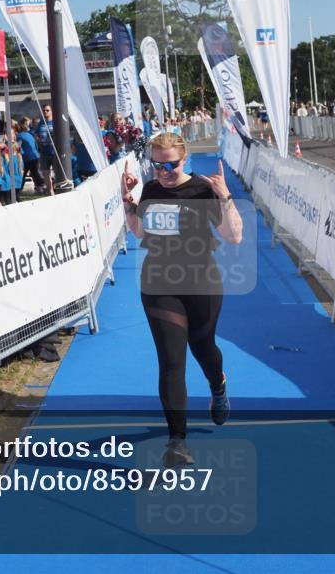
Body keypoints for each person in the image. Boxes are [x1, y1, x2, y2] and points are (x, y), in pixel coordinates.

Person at [120, 132, 243, 468]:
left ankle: (218, 385)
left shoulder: (203, 190)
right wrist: (128, 200)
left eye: (170, 165)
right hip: (159, 285)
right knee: (172, 361)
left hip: (202, 283)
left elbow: (234, 237)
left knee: (203, 347)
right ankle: (177, 441)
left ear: (183, 159)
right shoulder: (151, 189)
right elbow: (139, 232)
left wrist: (225, 196)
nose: (163, 172)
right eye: (157, 165)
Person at [16, 119, 44, 195]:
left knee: (23, 174)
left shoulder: (19, 136)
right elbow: (35, 145)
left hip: (27, 158)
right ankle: (40, 188)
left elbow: (18, 147)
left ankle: (19, 190)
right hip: (35, 156)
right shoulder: (30, 135)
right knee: (35, 173)